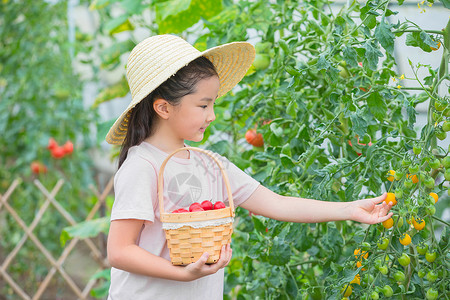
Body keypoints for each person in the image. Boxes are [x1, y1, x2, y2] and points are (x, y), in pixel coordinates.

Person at [105, 34, 394, 300]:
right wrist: (182, 274)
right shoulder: (143, 165)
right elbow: (119, 251)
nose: (212, 115)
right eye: (203, 106)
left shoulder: (211, 166)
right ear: (164, 108)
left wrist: (349, 209)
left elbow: (278, 204)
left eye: (214, 104)